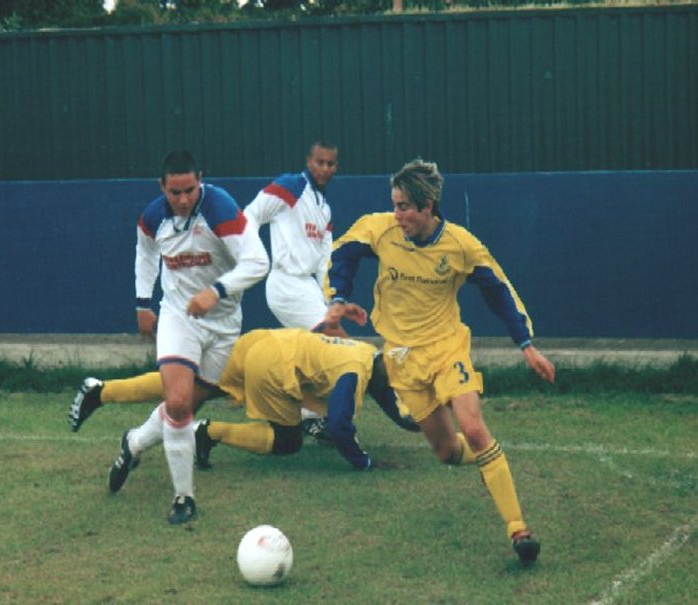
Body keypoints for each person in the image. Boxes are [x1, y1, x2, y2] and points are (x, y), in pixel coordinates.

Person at [324, 158, 556, 565]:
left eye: (404, 208)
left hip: (448, 349)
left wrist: (526, 344)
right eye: (394, 205)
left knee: (474, 428)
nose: (397, 215)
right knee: (448, 452)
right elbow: (341, 253)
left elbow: (498, 289)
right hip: (402, 358)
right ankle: (489, 459)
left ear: (427, 206)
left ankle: (518, 529)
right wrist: (338, 300)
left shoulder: (461, 245)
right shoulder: (379, 229)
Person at [68, 142, 343, 441]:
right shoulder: (289, 186)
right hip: (265, 292)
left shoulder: (321, 206)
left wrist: (330, 296)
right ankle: (318, 416)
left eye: (331, 163)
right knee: (332, 346)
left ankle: (109, 403)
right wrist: (144, 302)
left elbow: (314, 258)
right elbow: (250, 218)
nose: (325, 169)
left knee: (195, 390)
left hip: (234, 313)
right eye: (320, 162)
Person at [106, 149, 269, 525]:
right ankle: (184, 497)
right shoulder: (151, 218)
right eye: (174, 192)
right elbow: (145, 256)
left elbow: (259, 262)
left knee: (185, 410)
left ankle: (133, 444)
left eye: (190, 190)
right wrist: (143, 303)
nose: (182, 200)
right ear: (161, 187)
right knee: (177, 403)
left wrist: (217, 291)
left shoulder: (221, 208)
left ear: (201, 180)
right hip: (178, 317)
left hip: (225, 324)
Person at [193, 328, 420, 470]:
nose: (394, 386)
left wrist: (432, 424)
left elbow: (390, 402)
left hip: (269, 341)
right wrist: (364, 462)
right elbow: (338, 426)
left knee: (196, 386)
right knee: (288, 442)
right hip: (273, 365)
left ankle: (177, 404)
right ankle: (208, 433)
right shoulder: (354, 372)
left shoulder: (369, 354)